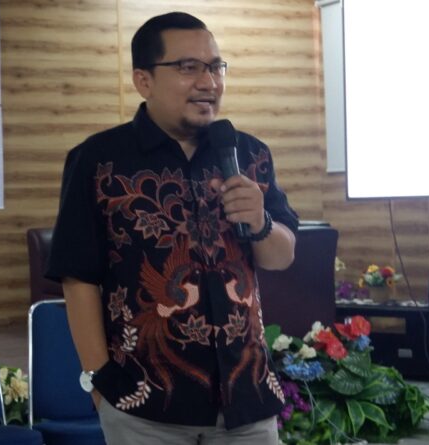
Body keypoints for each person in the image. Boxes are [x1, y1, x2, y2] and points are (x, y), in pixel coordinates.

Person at [46, 12, 298, 445]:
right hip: (144, 404)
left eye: (216, 67)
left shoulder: (249, 153)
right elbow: (78, 278)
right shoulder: (98, 160)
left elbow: (282, 255)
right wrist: (100, 380)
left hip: (247, 399)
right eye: (188, 67)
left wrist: (260, 221)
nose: (209, 82)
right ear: (143, 80)